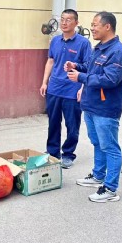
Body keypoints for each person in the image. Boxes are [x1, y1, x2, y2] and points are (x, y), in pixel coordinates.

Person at [65, 11, 122, 202]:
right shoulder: (100, 48)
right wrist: (76, 66)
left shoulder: (118, 52)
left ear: (107, 27)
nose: (92, 28)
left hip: (106, 109)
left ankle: (110, 189)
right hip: (91, 105)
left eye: (95, 25)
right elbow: (91, 68)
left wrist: (80, 77)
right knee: (97, 143)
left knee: (110, 146)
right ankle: (98, 175)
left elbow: (110, 79)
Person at [40, 9, 91, 169]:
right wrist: (44, 82)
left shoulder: (83, 43)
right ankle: (52, 152)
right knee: (53, 122)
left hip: (72, 90)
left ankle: (68, 154)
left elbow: (88, 66)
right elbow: (50, 61)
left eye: (68, 20)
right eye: (62, 19)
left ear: (76, 23)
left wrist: (82, 87)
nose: (64, 22)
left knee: (72, 124)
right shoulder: (55, 41)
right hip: (54, 88)